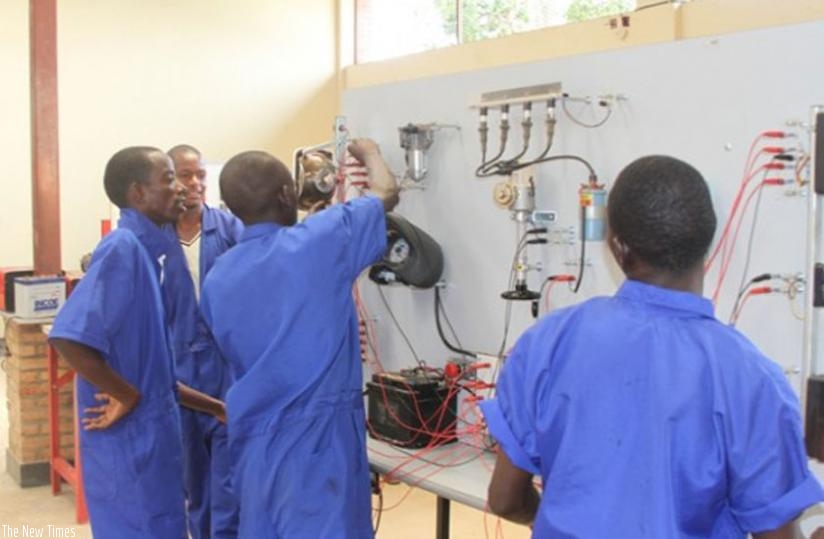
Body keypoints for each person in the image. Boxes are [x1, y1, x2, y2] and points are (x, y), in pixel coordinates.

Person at [480, 155, 824, 538]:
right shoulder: (751, 378)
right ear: (706, 242)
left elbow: (506, 499)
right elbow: (774, 533)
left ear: (617, 247)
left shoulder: (548, 342)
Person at [200, 138, 399, 538]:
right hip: (318, 447)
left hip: (255, 445)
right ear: (287, 192)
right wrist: (370, 153)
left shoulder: (217, 277)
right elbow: (386, 194)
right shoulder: (318, 241)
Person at [48, 146, 189, 538]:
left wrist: (218, 408)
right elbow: (68, 337)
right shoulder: (121, 248)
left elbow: (155, 376)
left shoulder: (146, 254)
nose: (180, 189)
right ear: (137, 194)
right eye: (170, 179)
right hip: (131, 453)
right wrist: (125, 394)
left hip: (152, 445)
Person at [166, 143, 243, 539]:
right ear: (168, 179)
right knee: (194, 485)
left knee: (229, 485)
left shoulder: (230, 230)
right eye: (184, 174)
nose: (194, 183)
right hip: (177, 378)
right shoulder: (154, 241)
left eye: (200, 175)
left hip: (227, 370)